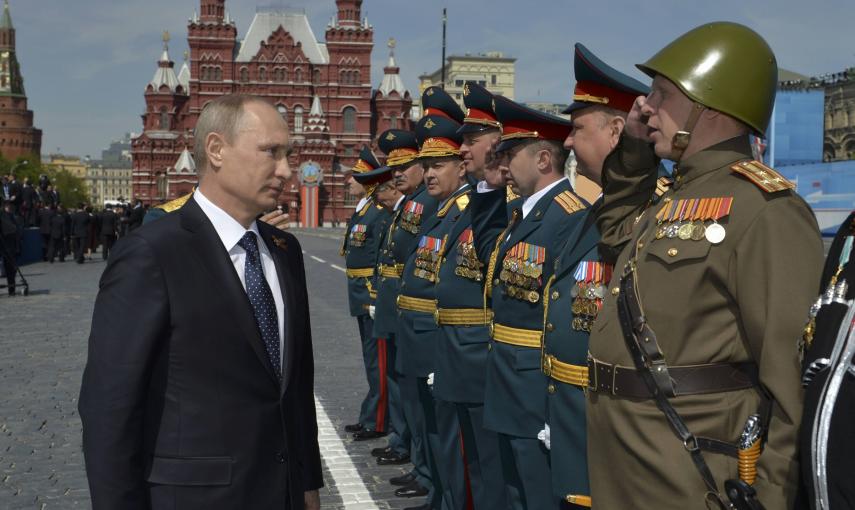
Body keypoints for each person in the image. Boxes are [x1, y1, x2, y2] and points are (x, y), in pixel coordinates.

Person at [587, 22, 822, 509]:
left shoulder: (764, 207)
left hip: (691, 473)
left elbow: (791, 381)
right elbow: (613, 237)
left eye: (662, 93)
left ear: (710, 104)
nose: (645, 106)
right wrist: (632, 151)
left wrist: (771, 498)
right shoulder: (675, 193)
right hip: (627, 456)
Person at [78, 94, 322, 509]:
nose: (286, 170)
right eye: (270, 152)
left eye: (288, 155)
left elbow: (295, 389)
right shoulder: (153, 253)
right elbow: (110, 409)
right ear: (216, 149)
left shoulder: (285, 251)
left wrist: (307, 486)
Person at [536, 43, 654, 509]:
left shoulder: (654, 209)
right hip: (573, 409)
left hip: (614, 421)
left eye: (577, 128)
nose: (566, 141)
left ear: (617, 131)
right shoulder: (596, 208)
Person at [469, 95, 589, 510]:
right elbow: (489, 258)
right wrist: (486, 186)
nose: (504, 165)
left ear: (542, 160)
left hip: (536, 385)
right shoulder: (523, 211)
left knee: (538, 493)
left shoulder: (570, 216)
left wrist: (562, 404)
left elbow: (575, 315)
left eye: (510, 154)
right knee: (514, 490)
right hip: (507, 376)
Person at [428, 81, 510, 510]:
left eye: (471, 141)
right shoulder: (479, 204)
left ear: (497, 145)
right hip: (458, 352)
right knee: (468, 460)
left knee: (491, 468)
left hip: (482, 354)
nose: (463, 149)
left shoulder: (507, 204)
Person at [396, 99, 471, 510]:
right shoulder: (441, 207)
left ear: (460, 166)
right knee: (431, 424)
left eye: (438, 164)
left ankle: (444, 495)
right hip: (422, 325)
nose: (428, 173)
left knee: (448, 433)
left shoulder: (460, 210)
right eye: (426, 165)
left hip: (440, 331)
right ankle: (438, 491)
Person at [341, 146, 393, 442]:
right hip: (359, 295)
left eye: (355, 177)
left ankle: (379, 420)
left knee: (379, 362)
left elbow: (379, 258)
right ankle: (370, 414)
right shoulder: (363, 212)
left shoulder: (377, 214)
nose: (349, 182)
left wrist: (375, 296)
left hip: (370, 295)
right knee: (370, 360)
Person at [1, 201, 19, 296]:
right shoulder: (4, 215)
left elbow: (14, 228)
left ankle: (11, 289)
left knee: (11, 268)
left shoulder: (9, 216)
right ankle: (11, 289)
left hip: (9, 245)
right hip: (6, 244)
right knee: (9, 268)